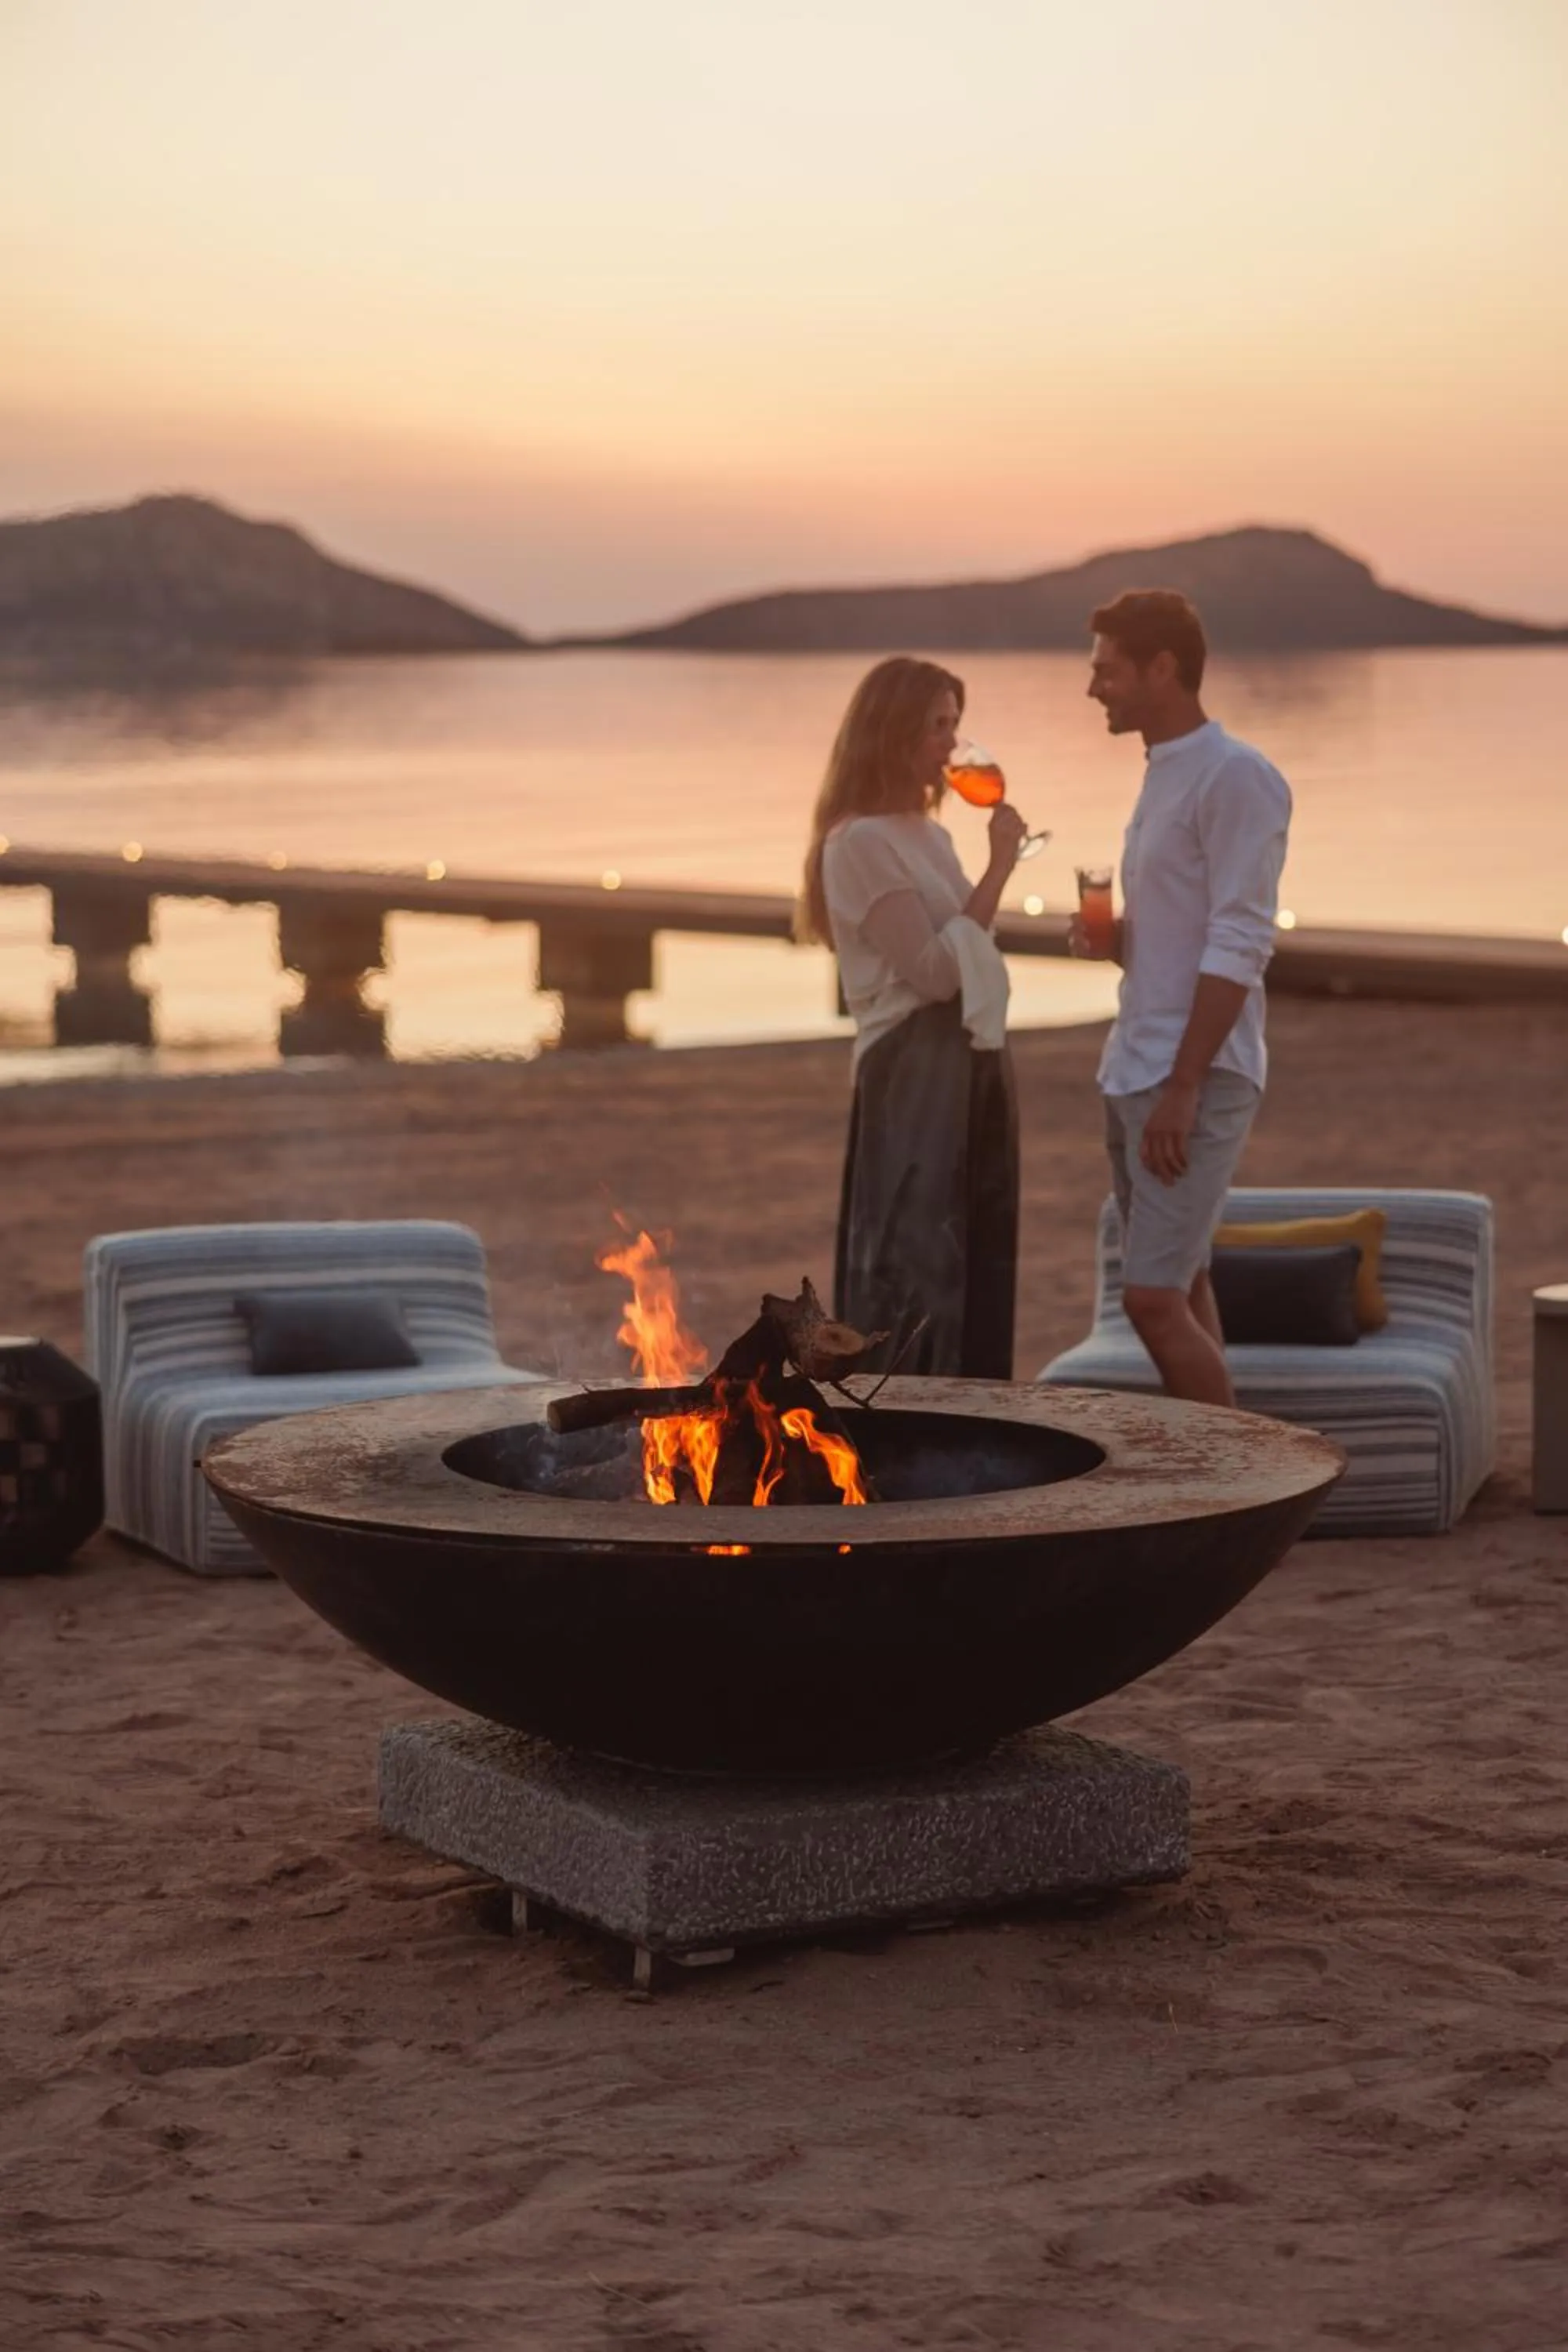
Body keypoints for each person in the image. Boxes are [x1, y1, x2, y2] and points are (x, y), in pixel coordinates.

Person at [1072, 590, 1291, 1406]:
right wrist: (1119, 939)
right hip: (1133, 1066)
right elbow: (1184, 932)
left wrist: (1184, 1084)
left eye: (1106, 671)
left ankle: (1232, 1485)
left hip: (1186, 1074)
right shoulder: (1162, 774)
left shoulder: (1237, 778)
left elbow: (1241, 940)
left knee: (1149, 1298)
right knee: (1182, 1280)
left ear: (1162, 668)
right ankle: (1226, 1484)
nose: (1094, 689)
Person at [798, 656, 1029, 1376]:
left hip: (972, 1057)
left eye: (955, 725)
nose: (950, 745)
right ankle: (903, 1429)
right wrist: (999, 868)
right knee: (918, 1260)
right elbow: (931, 974)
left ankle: (979, 1427)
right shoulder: (859, 842)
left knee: (979, 1250)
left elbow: (967, 942)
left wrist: (990, 873)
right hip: (912, 1070)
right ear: (892, 732)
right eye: (936, 726)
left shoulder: (929, 835)